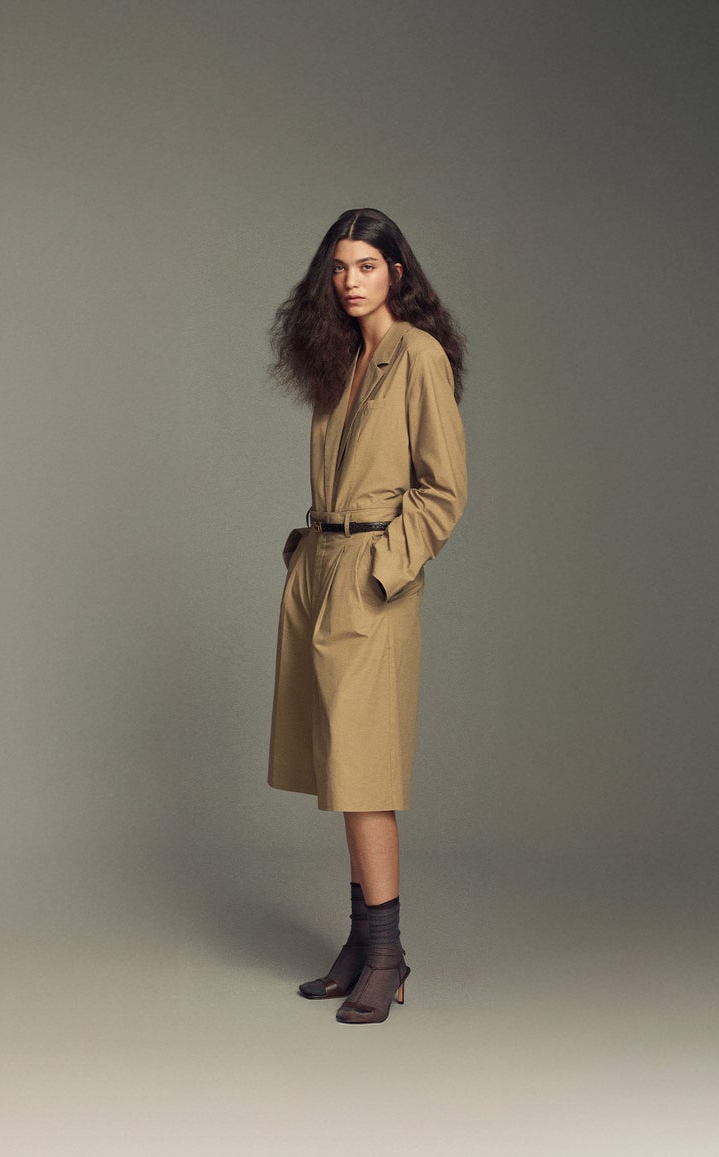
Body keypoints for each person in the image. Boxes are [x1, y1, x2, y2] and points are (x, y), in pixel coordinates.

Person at [267, 208, 468, 1025]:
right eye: (340, 267)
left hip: (372, 579)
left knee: (366, 772)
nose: (350, 281)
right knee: (342, 771)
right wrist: (309, 560)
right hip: (322, 566)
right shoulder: (344, 358)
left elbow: (443, 491)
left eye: (367, 266)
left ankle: (387, 955)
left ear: (397, 274)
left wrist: (383, 570)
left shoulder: (417, 355)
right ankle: (360, 945)